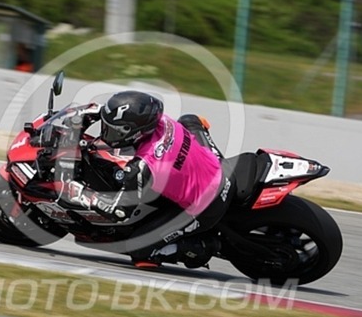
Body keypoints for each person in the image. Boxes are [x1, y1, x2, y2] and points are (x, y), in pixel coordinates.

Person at [59, 91, 234, 269]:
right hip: (217, 166)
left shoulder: (142, 167)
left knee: (139, 250)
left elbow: (119, 211)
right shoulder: (159, 120)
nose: (105, 133)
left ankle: (203, 247)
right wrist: (84, 116)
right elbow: (116, 112)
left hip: (209, 205)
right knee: (189, 120)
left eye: (112, 130)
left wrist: (80, 194)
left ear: (135, 133)